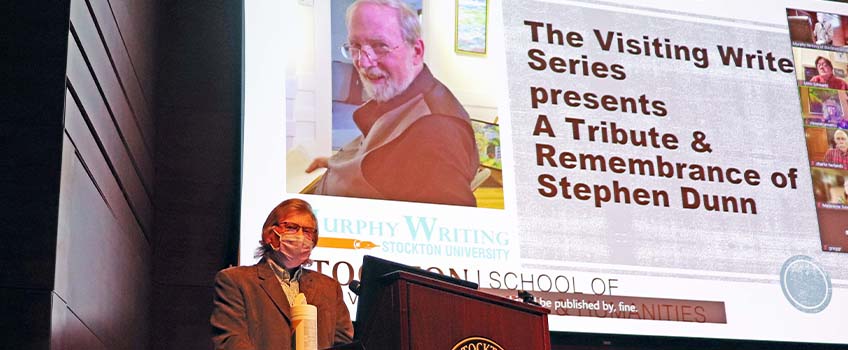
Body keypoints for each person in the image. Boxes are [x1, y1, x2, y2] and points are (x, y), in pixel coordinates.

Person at [306, 0, 479, 207]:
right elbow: (383, 162)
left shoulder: (437, 132)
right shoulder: (397, 94)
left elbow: (446, 228)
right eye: (355, 46)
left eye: (380, 46)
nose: (363, 62)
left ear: (416, 52)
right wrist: (334, 163)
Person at [211, 198, 353, 349]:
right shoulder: (236, 281)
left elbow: (343, 344)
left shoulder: (329, 287)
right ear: (269, 234)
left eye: (307, 231)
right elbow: (232, 342)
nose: (300, 236)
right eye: (291, 227)